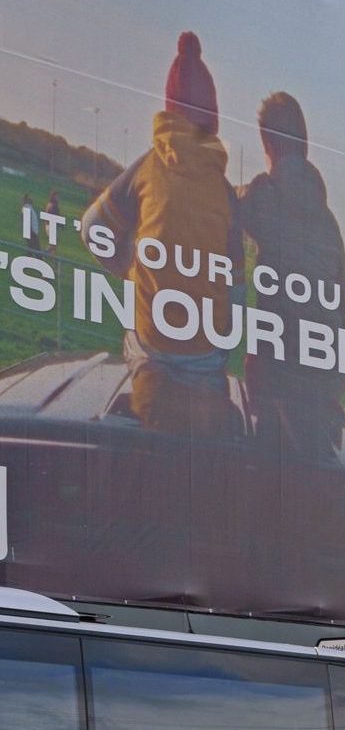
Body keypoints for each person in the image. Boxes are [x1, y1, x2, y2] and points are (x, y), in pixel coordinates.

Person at [81, 30, 240, 436]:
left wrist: (131, 269)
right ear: (213, 117)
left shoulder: (149, 166)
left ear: (169, 110)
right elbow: (237, 282)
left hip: (151, 342)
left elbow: (92, 228)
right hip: (205, 352)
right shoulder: (222, 189)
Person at [235, 91, 345, 457]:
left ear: (268, 143)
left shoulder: (265, 195)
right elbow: (343, 308)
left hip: (279, 385)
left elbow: (220, 203)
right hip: (322, 387)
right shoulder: (330, 223)